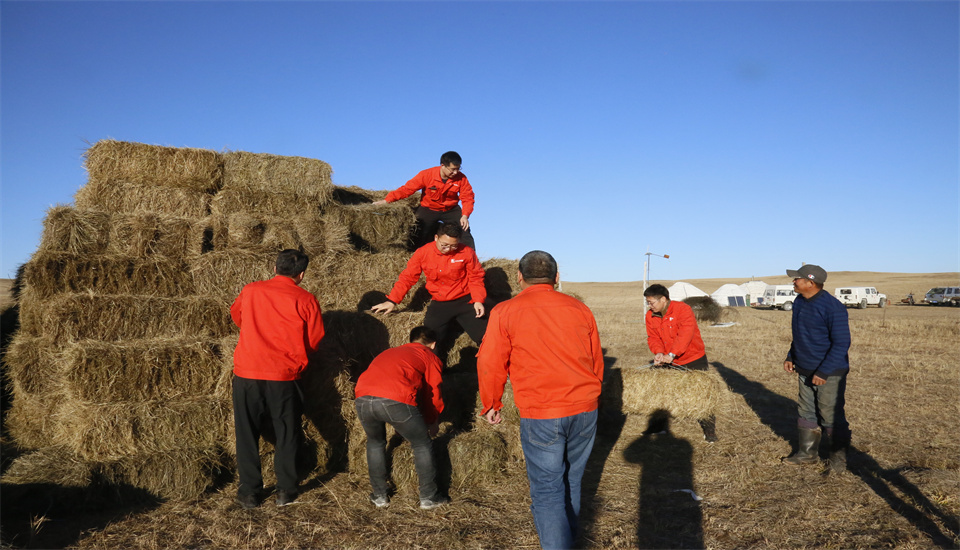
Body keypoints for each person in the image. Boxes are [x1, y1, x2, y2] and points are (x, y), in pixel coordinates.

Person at [477, 250, 604, 550]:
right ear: (557, 277)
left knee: (547, 490)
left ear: (519, 277)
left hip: (542, 412)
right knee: (571, 480)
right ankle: (567, 540)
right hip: (585, 408)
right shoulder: (580, 309)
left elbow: (490, 362)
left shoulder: (505, 312)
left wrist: (492, 403)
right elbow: (596, 359)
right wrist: (593, 392)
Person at [230, 249, 325, 509]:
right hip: (285, 376)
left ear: (275, 267)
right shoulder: (306, 299)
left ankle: (249, 492)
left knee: (246, 433)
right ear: (302, 274)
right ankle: (285, 491)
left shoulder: (250, 290)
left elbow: (237, 316)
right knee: (287, 432)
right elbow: (315, 340)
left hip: (247, 372)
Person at [354, 326, 449, 510]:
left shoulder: (390, 351)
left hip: (362, 397)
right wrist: (432, 421)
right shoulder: (428, 356)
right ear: (433, 344)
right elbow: (433, 391)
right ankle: (429, 497)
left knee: (375, 442)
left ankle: (380, 497)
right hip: (394, 399)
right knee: (421, 443)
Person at [781, 264, 851, 473]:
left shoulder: (832, 307)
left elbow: (841, 343)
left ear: (810, 283)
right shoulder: (799, 302)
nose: (793, 281)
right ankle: (807, 454)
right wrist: (791, 355)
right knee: (806, 412)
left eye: (797, 279)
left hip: (829, 372)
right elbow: (800, 334)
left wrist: (823, 372)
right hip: (804, 368)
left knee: (830, 416)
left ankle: (838, 462)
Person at [371, 223, 487, 348]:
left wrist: (478, 300)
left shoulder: (467, 252)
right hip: (440, 303)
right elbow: (408, 278)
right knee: (427, 343)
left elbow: (476, 277)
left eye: (454, 246)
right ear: (436, 238)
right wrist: (392, 301)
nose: (448, 249)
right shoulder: (423, 253)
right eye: (445, 245)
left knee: (486, 338)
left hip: (465, 301)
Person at [643, 284, 718, 442]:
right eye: (648, 302)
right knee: (662, 393)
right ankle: (659, 426)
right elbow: (653, 337)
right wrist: (658, 353)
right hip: (667, 360)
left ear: (663, 299)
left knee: (702, 394)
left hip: (693, 358)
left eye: (651, 302)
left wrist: (672, 353)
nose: (649, 305)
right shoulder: (650, 316)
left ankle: (709, 430)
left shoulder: (682, 310)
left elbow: (686, 333)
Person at [371, 151, 476, 250]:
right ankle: (414, 258)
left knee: (464, 231)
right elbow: (407, 189)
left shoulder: (461, 178)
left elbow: (467, 197)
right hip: (429, 208)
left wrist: (465, 215)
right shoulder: (426, 174)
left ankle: (471, 262)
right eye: (452, 169)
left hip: (450, 209)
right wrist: (387, 200)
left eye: (458, 169)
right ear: (443, 165)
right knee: (417, 232)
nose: (455, 172)